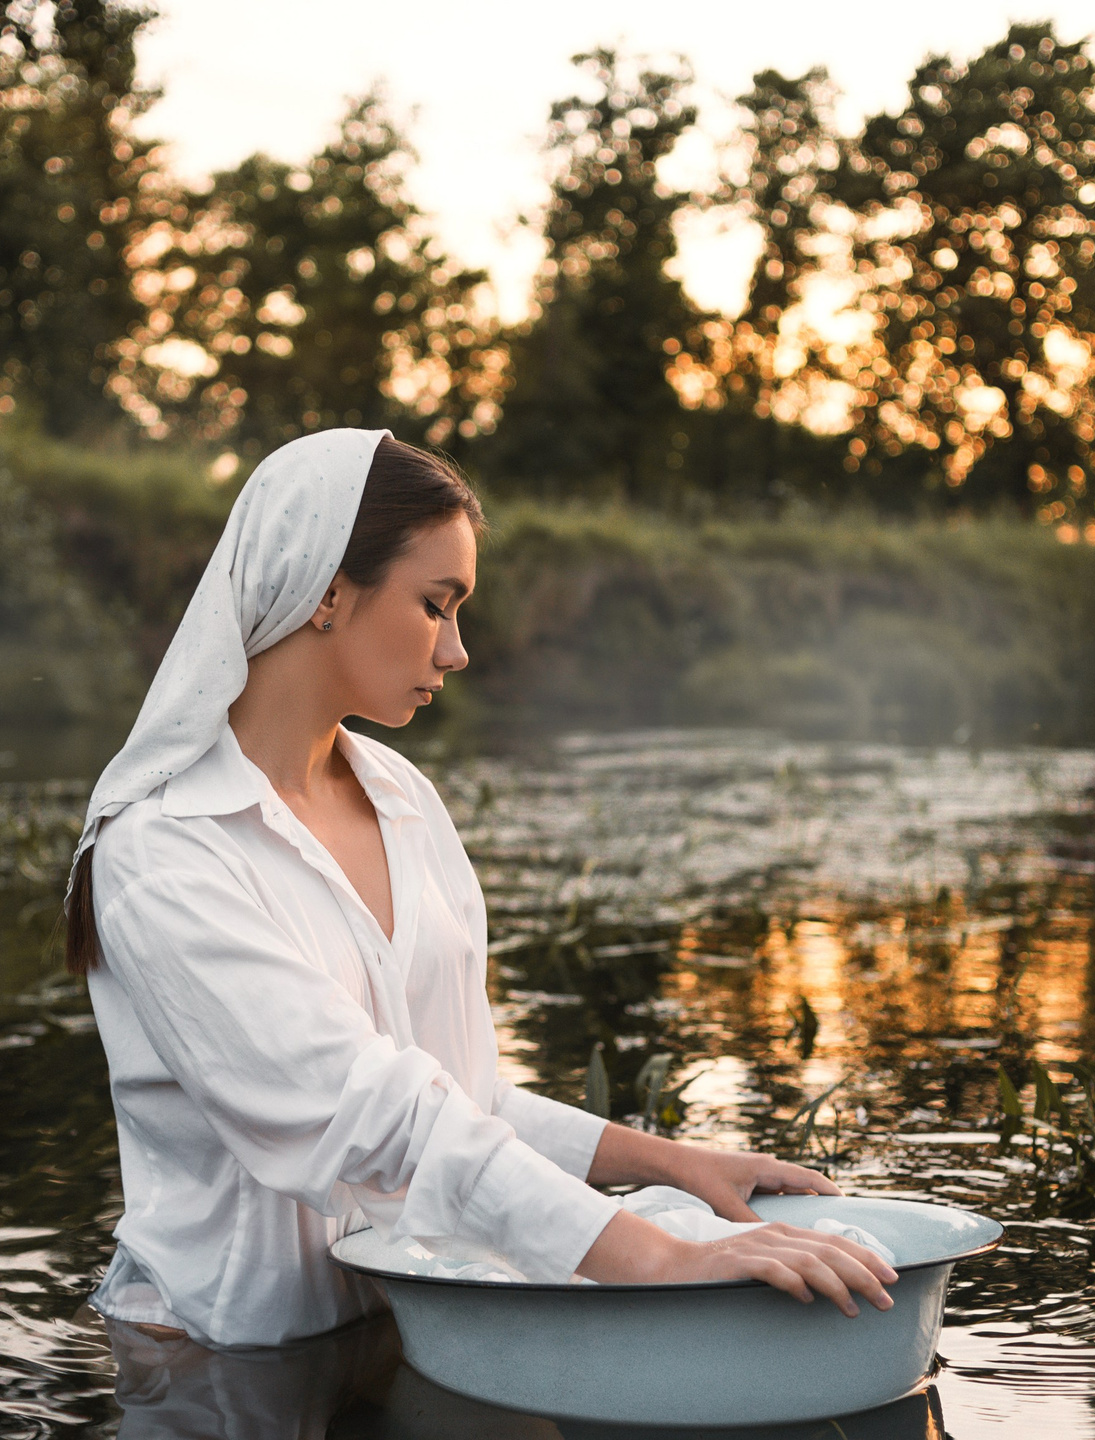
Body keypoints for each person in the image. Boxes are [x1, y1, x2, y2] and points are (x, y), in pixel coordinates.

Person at [65, 429, 896, 1350]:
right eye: (436, 604)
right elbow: (372, 1117)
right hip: (223, 1372)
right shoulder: (164, 853)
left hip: (418, 1330)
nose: (457, 651)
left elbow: (462, 1100)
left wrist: (672, 1164)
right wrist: (655, 1260)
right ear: (327, 591)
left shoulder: (403, 800)